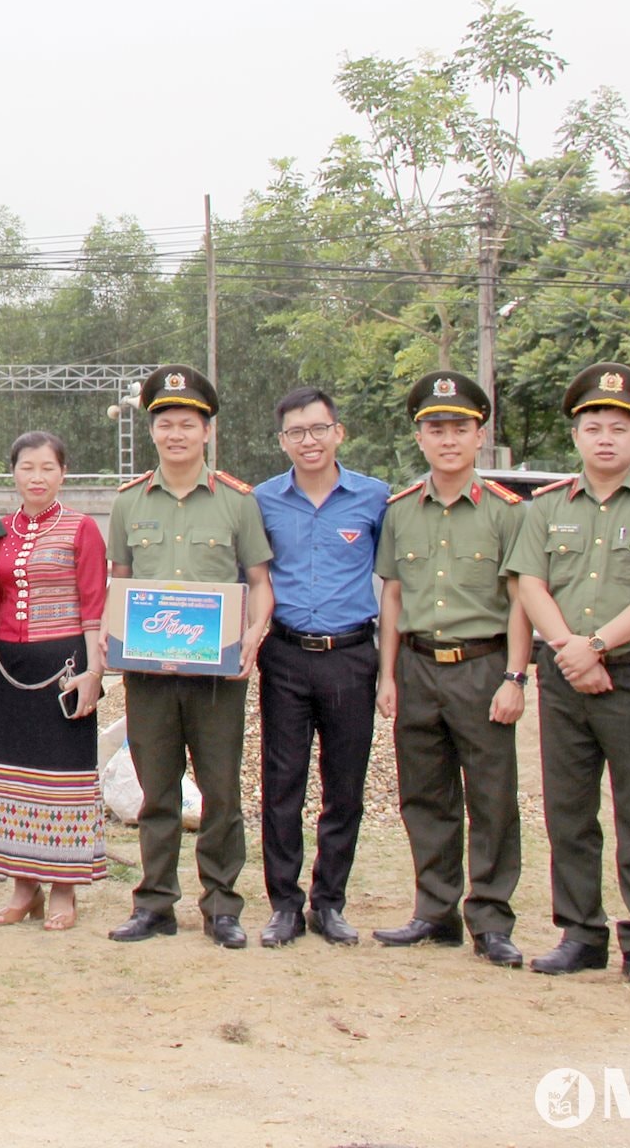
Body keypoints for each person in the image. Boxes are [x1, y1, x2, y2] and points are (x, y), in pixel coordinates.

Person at [509, 364, 630, 989]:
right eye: (592, 427)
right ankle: (580, 932)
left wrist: (599, 645)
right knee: (569, 810)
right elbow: (530, 582)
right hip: (562, 675)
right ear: (576, 436)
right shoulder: (546, 507)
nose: (604, 438)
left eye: (618, 427)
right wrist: (566, 648)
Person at [105, 366, 274, 948]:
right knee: (157, 791)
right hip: (149, 673)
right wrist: (112, 641)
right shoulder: (129, 503)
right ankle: (154, 904)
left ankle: (221, 906)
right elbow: (119, 581)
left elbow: (259, 581)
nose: (176, 433)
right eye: (165, 423)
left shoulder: (237, 502)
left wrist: (254, 634)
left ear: (207, 432)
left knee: (221, 791)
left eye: (187, 423)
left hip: (217, 677)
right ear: (152, 431)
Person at [373, 369, 531, 968]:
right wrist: (387, 676)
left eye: (459, 428)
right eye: (435, 429)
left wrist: (516, 676)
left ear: (479, 435)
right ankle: (434, 910)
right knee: (426, 794)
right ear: (420, 438)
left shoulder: (507, 512)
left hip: (482, 666)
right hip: (417, 665)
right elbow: (391, 596)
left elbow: (521, 599)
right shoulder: (401, 511)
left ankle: (490, 919)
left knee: (491, 797)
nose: (447, 440)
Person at [252, 386, 391, 948]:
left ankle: (329, 902)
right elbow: (251, 579)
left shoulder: (375, 499)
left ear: (339, 432)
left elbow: (396, 582)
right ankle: (284, 904)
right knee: (282, 785)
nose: (308, 441)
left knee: (345, 787)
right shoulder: (261, 500)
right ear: (282, 441)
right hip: (284, 654)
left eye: (318, 429)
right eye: (296, 433)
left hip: (351, 656)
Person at [0, 430, 106, 931]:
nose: (37, 477)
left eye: (47, 468)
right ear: (14, 473)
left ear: (63, 473)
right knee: (12, 775)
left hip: (64, 667)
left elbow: (94, 604)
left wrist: (93, 672)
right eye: (28, 467)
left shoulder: (82, 528)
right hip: (8, 668)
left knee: (62, 777)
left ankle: (64, 889)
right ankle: (22, 888)